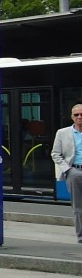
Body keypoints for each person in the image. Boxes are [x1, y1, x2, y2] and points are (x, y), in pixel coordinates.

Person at [50, 103, 82, 244]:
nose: (79, 117)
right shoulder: (62, 133)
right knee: (78, 206)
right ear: (72, 117)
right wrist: (68, 170)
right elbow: (55, 154)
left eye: (81, 114)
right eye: (76, 115)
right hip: (74, 171)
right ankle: (81, 236)